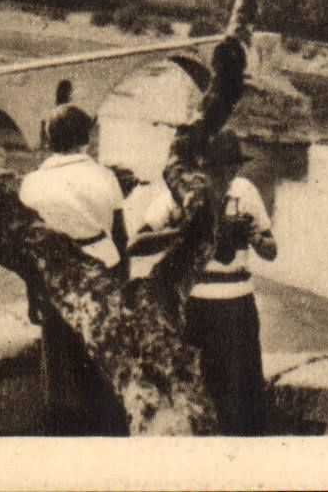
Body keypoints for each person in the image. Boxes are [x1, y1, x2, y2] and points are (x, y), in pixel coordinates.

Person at [135, 132, 276, 435]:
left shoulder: (245, 192)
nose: (227, 175)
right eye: (219, 167)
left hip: (239, 306)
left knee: (245, 396)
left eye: (233, 167)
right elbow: (137, 243)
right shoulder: (180, 196)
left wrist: (254, 236)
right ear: (201, 168)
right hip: (195, 307)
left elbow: (271, 250)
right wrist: (184, 233)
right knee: (196, 392)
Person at [17, 104, 129, 436]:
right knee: (103, 362)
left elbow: (27, 248)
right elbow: (121, 238)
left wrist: (31, 295)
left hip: (54, 277)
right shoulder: (105, 176)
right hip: (102, 271)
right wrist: (123, 285)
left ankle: (66, 434)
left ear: (49, 140)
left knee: (61, 366)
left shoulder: (32, 182)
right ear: (86, 138)